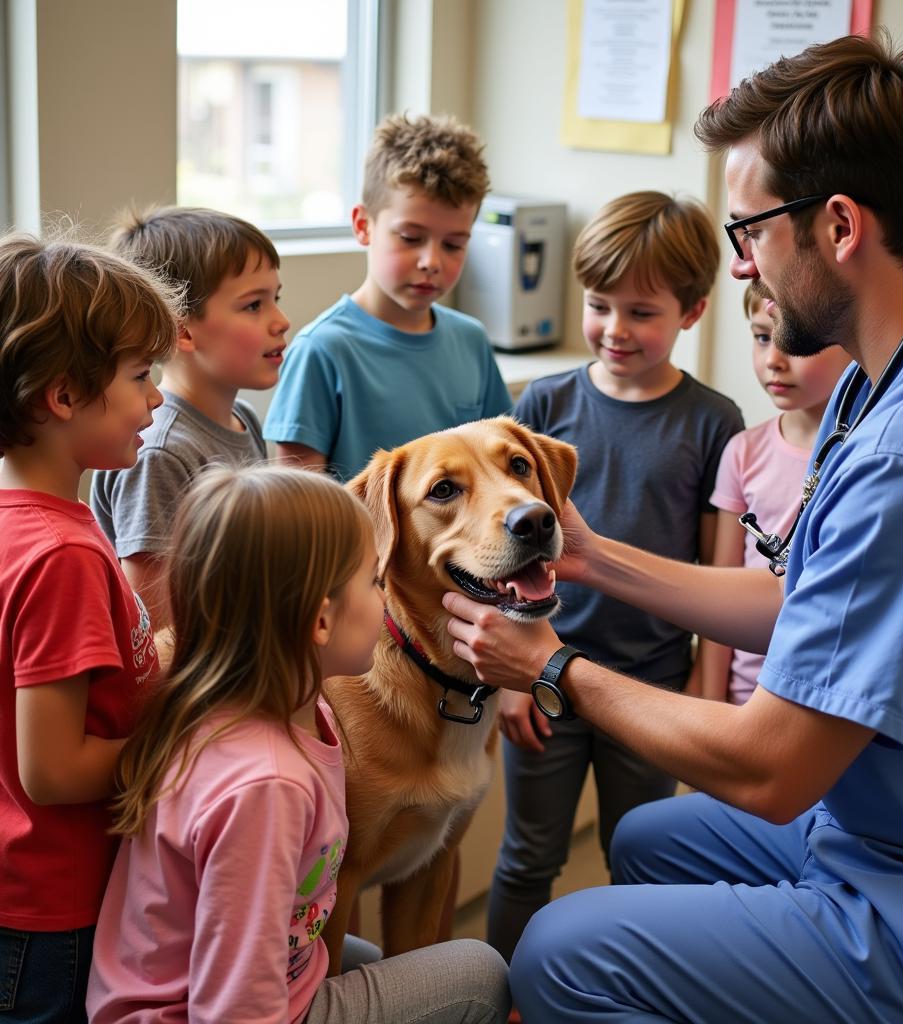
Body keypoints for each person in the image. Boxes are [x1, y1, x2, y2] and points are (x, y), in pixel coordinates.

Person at [442, 33, 903, 1023]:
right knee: (648, 841)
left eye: (749, 228)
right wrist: (591, 557)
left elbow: (770, 766)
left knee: (558, 951)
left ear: (839, 226)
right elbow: (803, 604)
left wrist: (552, 668)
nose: (745, 262)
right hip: (895, 826)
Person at [86, 465, 511, 1024]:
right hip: (199, 1011)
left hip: (266, 968)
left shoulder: (282, 717)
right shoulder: (264, 786)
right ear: (320, 621)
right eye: (372, 582)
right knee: (479, 974)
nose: (386, 601)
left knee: (385, 963)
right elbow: (234, 1008)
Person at [488, 191, 743, 963]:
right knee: (529, 859)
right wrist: (508, 675)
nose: (616, 330)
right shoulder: (544, 403)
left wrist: (705, 686)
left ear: (693, 311)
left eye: (643, 312)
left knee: (646, 867)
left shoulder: (712, 420)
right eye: (600, 306)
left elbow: (717, 572)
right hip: (543, 684)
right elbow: (506, 554)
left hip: (654, 690)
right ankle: (502, 1003)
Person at [0, 234, 180, 1022]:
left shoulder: (32, 522)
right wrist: (185, 748)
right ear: (64, 396)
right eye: (141, 376)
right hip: (54, 918)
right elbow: (55, 770)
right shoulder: (62, 554)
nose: (157, 398)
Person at [264, 112, 512, 482]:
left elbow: (498, 467)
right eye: (411, 238)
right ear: (364, 226)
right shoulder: (322, 350)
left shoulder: (471, 340)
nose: (431, 261)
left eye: (454, 244)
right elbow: (300, 511)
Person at [90, 206, 289, 632]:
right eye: (254, 305)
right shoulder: (161, 452)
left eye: (277, 298)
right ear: (181, 330)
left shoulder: (244, 418)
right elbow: (156, 629)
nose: (281, 321)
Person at [698, 285, 848, 705]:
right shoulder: (743, 453)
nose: (773, 360)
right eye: (763, 337)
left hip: (823, 700)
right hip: (745, 697)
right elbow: (718, 595)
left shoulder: (867, 454)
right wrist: (711, 706)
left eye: (795, 342)